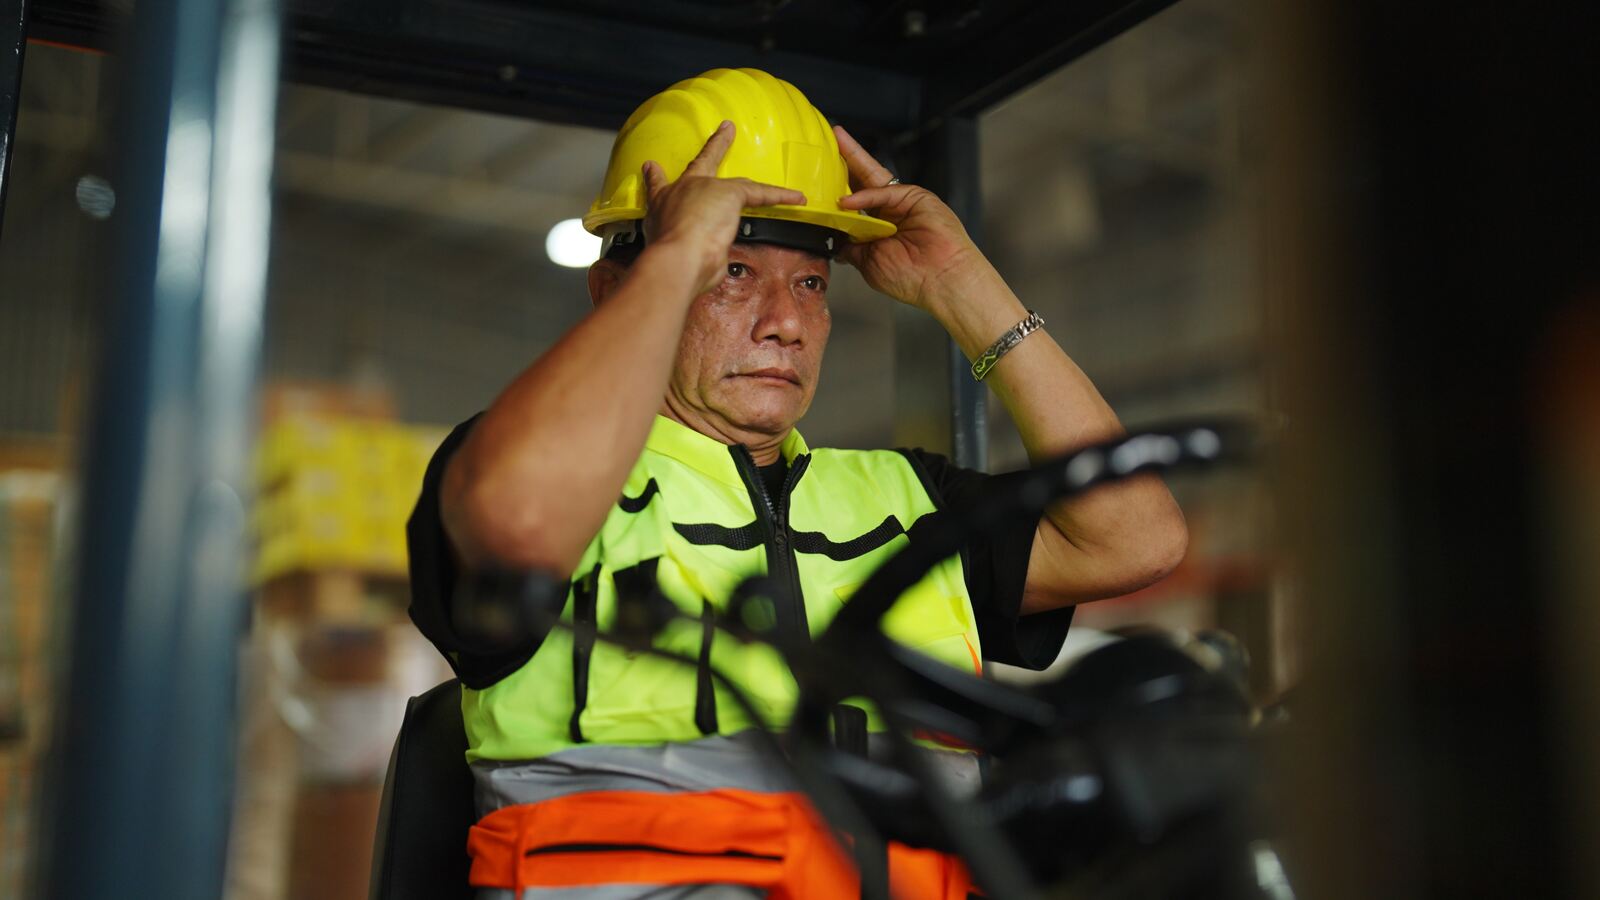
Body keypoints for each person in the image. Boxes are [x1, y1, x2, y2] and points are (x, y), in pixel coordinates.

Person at [406, 67, 1187, 899]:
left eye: (811, 283)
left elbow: (1140, 537)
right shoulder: (541, 477)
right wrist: (678, 258)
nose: (786, 321)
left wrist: (965, 287)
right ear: (613, 283)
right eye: (735, 271)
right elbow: (515, 519)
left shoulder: (909, 503)